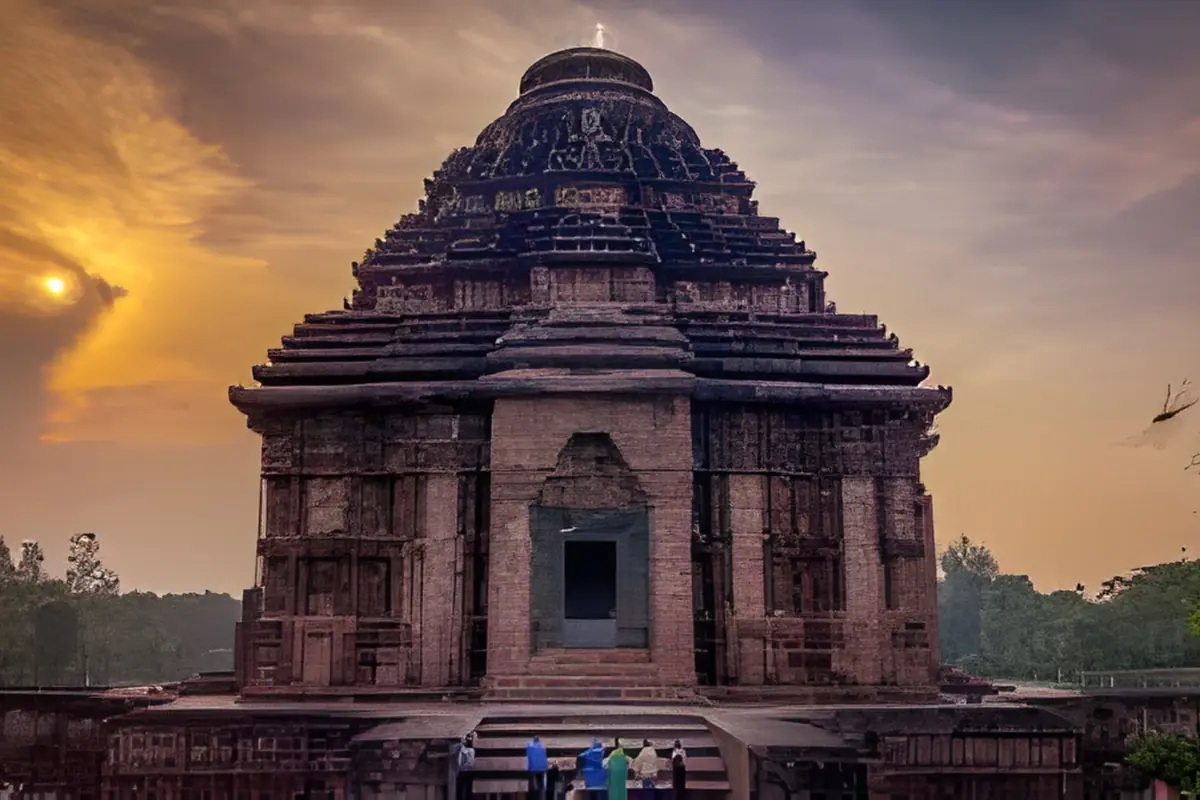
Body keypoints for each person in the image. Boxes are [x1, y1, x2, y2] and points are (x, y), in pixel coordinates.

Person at [454, 732, 477, 800]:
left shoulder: (469, 750)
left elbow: (467, 763)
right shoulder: (466, 749)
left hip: (465, 771)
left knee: (465, 788)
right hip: (465, 771)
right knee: (464, 788)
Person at [527, 734, 549, 799]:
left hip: (533, 769)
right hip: (542, 769)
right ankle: (542, 797)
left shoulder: (530, 746)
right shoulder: (542, 746)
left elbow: (528, 756)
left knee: (533, 786)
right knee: (541, 786)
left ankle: (535, 797)